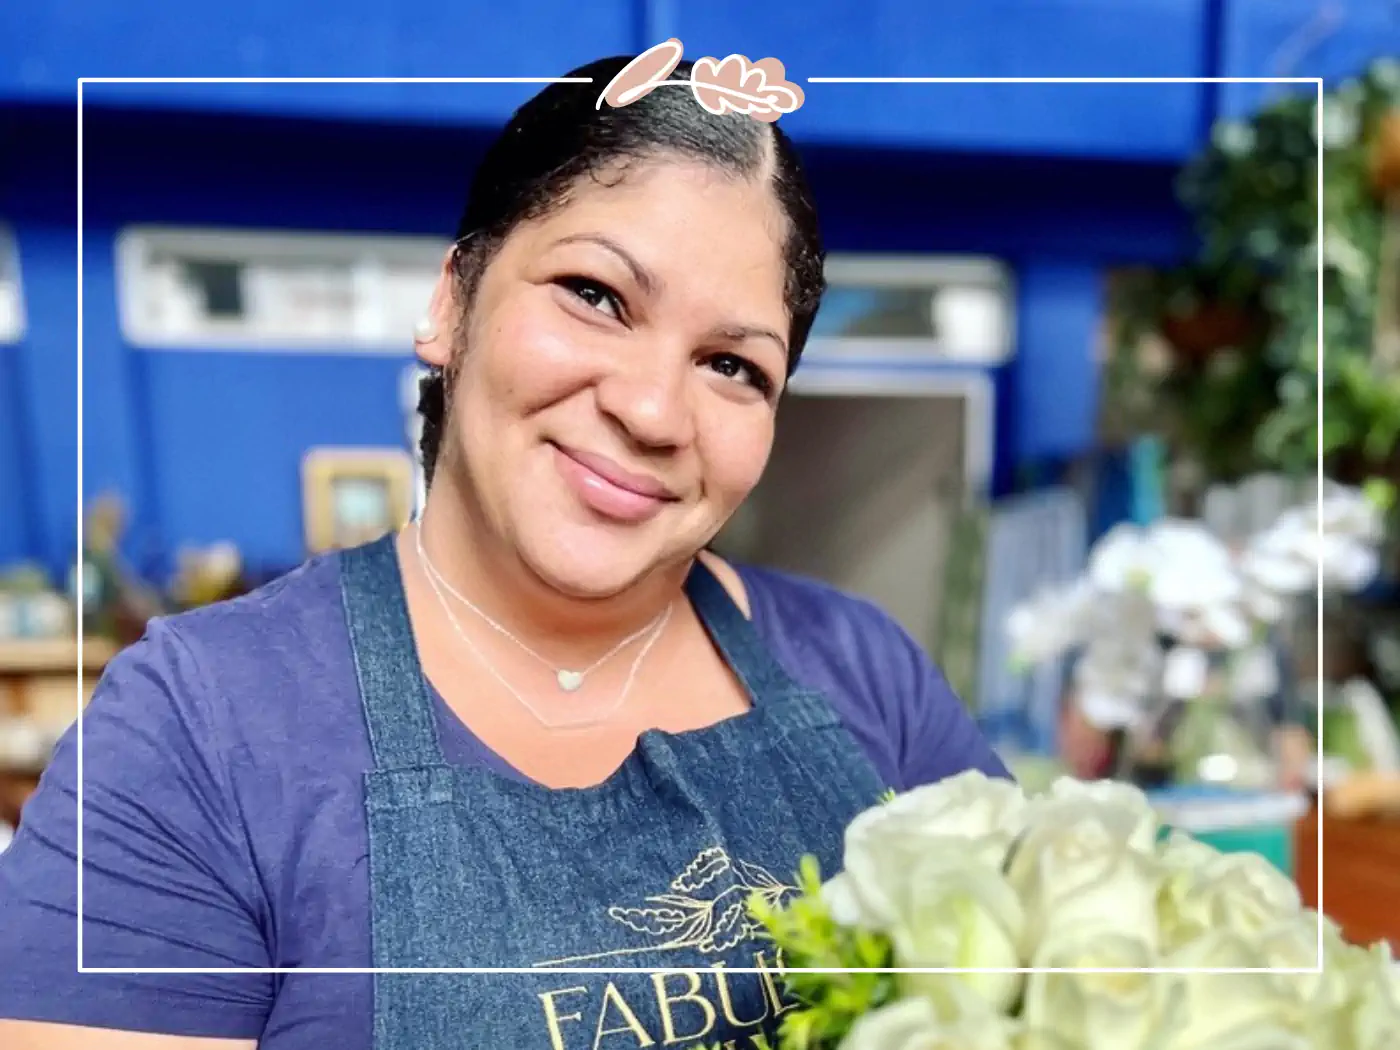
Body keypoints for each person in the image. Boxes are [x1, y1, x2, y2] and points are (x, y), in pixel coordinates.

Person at [0, 54, 1008, 1050]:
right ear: (452, 300)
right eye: (596, 295)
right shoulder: (197, 734)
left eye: (731, 364)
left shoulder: (865, 673)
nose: (653, 410)